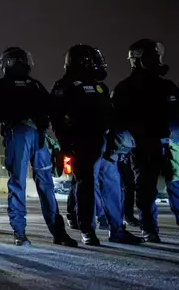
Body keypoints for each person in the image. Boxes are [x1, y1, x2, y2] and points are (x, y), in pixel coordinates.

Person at [50, 45, 142, 246]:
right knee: (87, 189)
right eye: (94, 60)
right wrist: (66, 145)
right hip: (82, 145)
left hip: (105, 145)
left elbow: (111, 114)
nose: (98, 64)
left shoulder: (100, 87)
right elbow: (57, 119)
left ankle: (117, 230)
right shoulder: (65, 86)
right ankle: (87, 231)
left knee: (112, 187)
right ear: (82, 61)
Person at [0, 47, 76, 247]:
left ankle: (21, 233)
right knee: (44, 185)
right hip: (33, 134)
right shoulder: (34, 85)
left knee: (21, 183)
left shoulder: (1, 85)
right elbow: (52, 108)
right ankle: (55, 232)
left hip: (23, 134)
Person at [112, 39, 179, 242]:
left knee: (175, 186)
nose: (158, 60)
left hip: (170, 145)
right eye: (153, 57)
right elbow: (117, 120)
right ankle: (149, 228)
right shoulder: (125, 89)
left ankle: (150, 228)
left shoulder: (167, 86)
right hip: (143, 146)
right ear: (139, 59)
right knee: (146, 190)